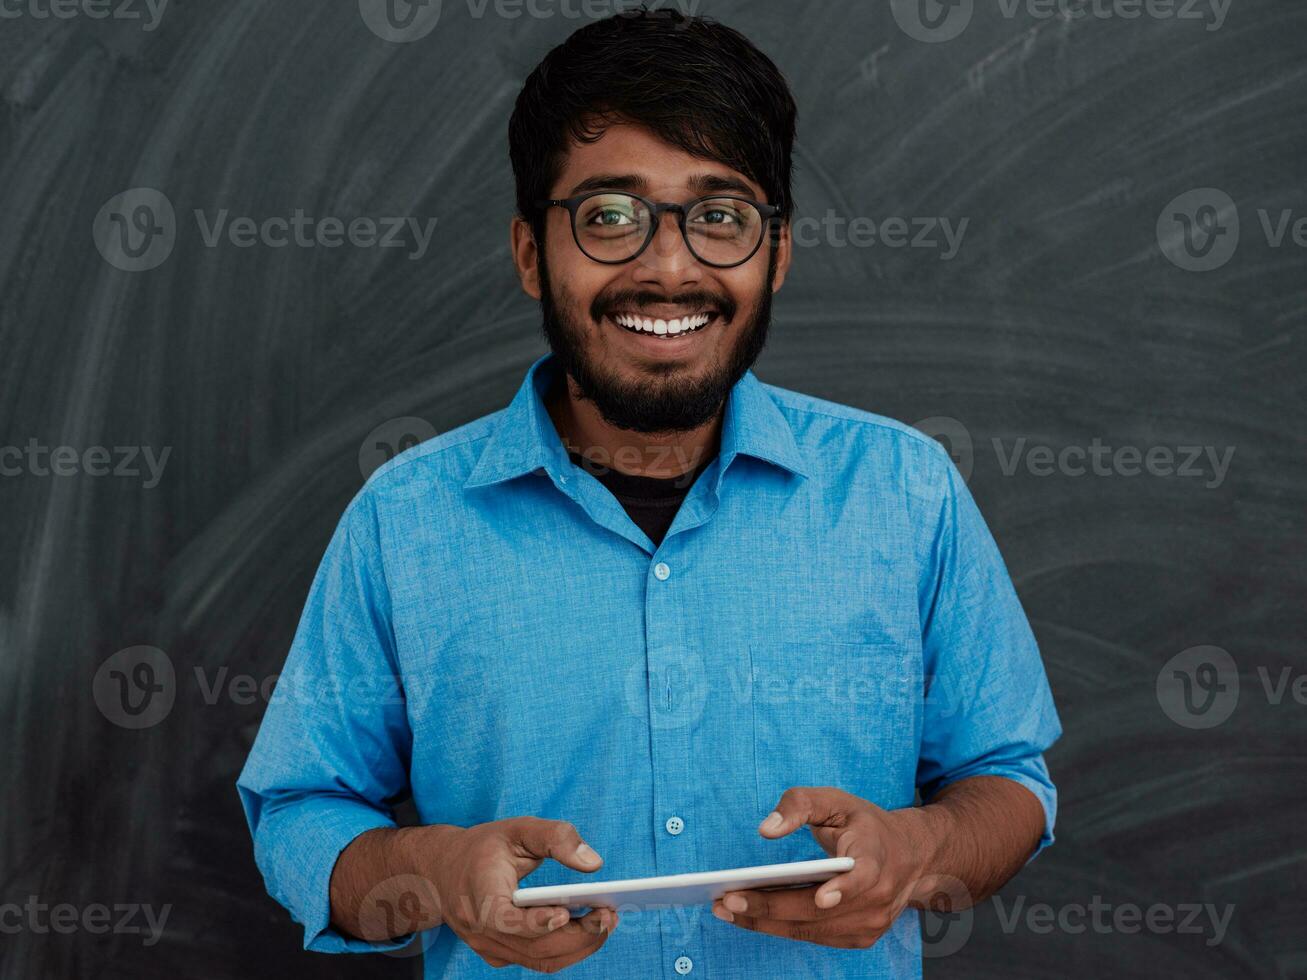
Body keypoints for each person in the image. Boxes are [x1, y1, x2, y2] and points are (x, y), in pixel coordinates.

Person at [237, 9, 1062, 977]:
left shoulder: (902, 491)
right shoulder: (404, 521)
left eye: (719, 216)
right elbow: (299, 809)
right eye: (609, 216)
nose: (667, 267)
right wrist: (427, 867)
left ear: (777, 255)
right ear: (527, 252)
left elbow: (1007, 781)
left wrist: (918, 851)